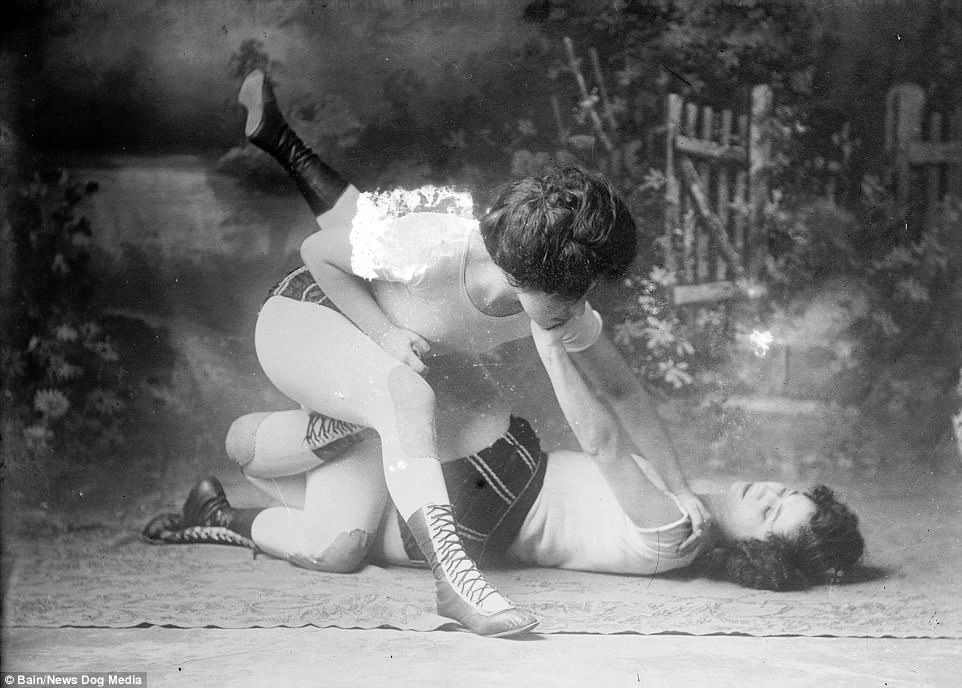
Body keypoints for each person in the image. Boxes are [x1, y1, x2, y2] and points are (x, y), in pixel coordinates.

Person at [145, 68, 754, 636]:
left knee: (339, 548)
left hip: (380, 370)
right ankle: (456, 583)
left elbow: (621, 391)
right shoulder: (433, 246)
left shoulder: (560, 298)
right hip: (308, 319)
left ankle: (263, 457)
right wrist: (383, 334)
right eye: (566, 296)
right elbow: (318, 254)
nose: (577, 308)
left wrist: (680, 488)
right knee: (409, 390)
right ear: (518, 273)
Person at [145, 314, 864, 595]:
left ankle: (222, 512)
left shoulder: (679, 534)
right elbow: (628, 399)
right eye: (785, 488)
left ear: (758, 553)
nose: (767, 490)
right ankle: (339, 432)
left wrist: (552, 344)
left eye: (773, 512)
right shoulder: (686, 492)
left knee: (326, 532)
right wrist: (578, 333)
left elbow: (605, 438)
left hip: (483, 515)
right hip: (494, 473)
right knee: (328, 521)